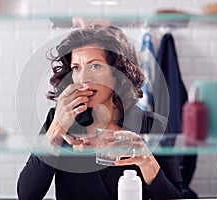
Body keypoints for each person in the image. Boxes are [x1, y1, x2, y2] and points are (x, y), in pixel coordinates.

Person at [17, 26, 184, 200]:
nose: (83, 78)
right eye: (76, 68)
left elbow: (176, 198)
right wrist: (58, 126)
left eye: (95, 66)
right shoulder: (58, 119)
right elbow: (27, 195)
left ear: (119, 72)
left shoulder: (152, 125)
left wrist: (146, 160)